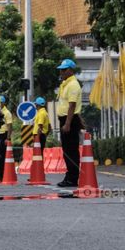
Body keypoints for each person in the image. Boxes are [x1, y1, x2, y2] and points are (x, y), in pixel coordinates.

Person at [55, 59, 82, 188]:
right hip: (66, 120)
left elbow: (72, 106)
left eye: (64, 70)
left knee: (71, 151)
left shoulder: (73, 85)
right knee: (67, 151)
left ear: (71, 70)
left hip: (69, 120)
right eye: (61, 69)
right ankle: (69, 176)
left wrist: (67, 123)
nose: (61, 72)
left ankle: (72, 178)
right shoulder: (65, 84)